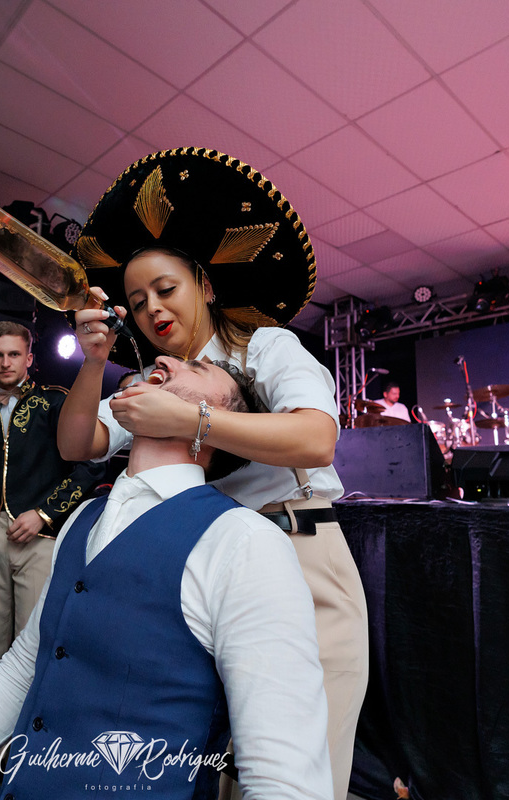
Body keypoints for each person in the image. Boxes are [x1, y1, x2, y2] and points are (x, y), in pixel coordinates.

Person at [0, 358, 333, 800]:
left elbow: (284, 779)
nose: (163, 359)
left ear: (215, 422)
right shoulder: (83, 520)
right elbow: (21, 673)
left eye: (195, 367)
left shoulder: (243, 541)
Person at [59, 147, 367, 800]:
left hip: (298, 548)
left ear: (204, 284)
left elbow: (316, 439)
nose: (151, 309)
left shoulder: (265, 346)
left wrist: (190, 420)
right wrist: (94, 364)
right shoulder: (153, 378)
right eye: (136, 301)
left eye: (165, 289)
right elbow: (78, 442)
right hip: (207, 566)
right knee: (217, 765)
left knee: (296, 768)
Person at [0, 321, 104, 681]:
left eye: (14, 354)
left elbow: (90, 465)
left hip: (41, 536)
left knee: (34, 639)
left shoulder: (55, 402)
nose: (5, 362)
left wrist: (44, 513)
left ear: (29, 359)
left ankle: (29, 718)